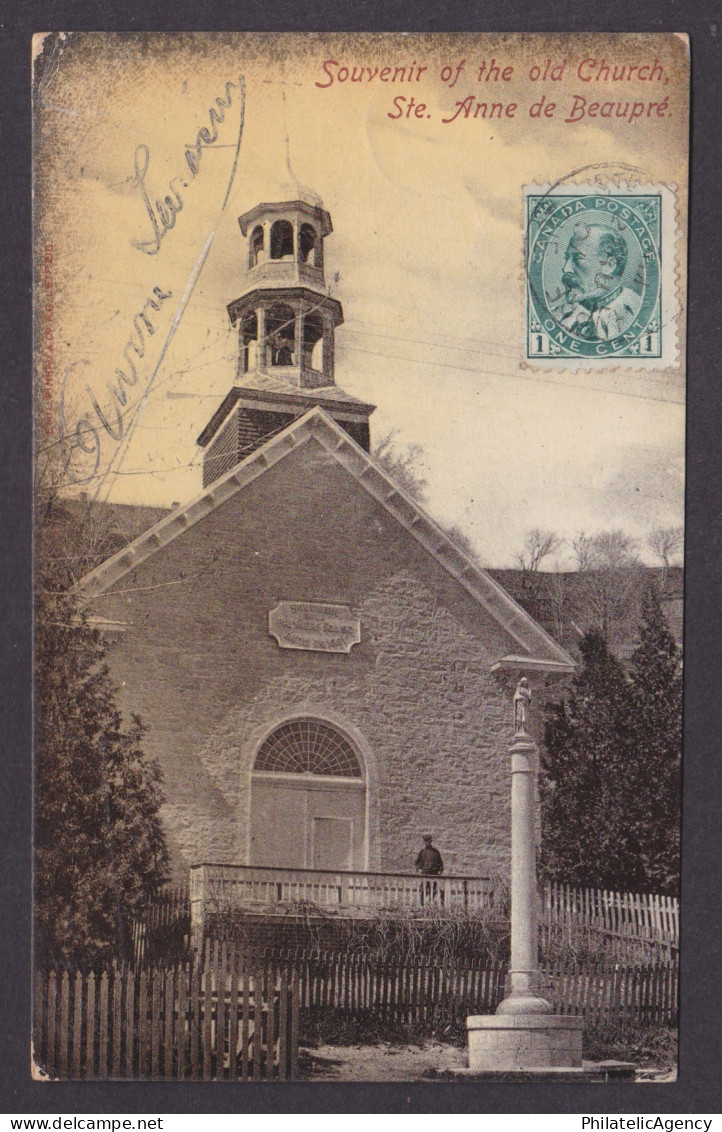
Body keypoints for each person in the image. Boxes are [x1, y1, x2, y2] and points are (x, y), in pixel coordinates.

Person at [551, 223, 641, 341]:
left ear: (609, 265)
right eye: (567, 258)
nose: (566, 269)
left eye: (578, 259)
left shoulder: (638, 311)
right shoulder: (556, 316)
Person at [415, 834, 444, 905]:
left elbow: (440, 863)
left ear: (431, 841)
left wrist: (440, 870)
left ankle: (431, 903)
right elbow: (417, 862)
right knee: (423, 889)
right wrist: (418, 868)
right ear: (424, 842)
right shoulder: (422, 852)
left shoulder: (435, 852)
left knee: (433, 889)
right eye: (426, 841)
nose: (427, 842)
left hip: (433, 874)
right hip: (425, 874)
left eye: (429, 841)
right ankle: (422, 904)